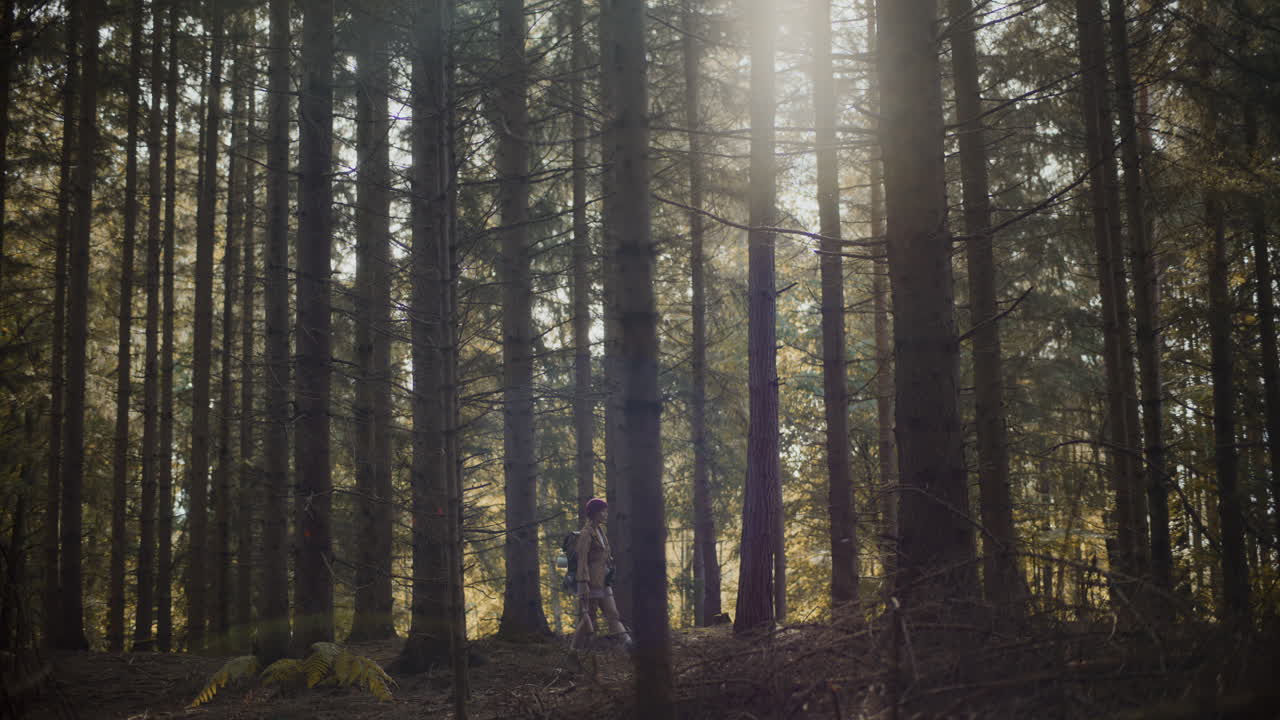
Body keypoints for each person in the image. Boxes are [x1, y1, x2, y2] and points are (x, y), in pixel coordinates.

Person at [574, 497, 632, 649]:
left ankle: (628, 644)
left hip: (604, 581)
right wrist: (583, 583)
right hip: (590, 582)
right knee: (587, 618)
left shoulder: (601, 531)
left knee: (613, 614)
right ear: (595, 513)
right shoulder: (586, 533)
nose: (606, 514)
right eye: (603, 511)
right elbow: (582, 559)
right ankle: (574, 651)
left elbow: (604, 554)